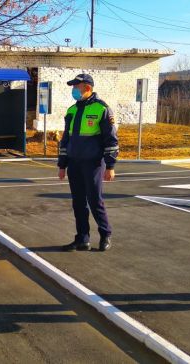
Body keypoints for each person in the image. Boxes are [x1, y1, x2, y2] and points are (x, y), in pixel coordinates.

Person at [58, 74, 119, 252]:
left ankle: (105, 234)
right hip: (74, 164)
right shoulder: (72, 110)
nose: (74, 90)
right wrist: (62, 165)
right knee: (78, 203)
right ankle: (82, 239)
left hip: (93, 164)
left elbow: (111, 140)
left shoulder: (102, 109)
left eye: (77, 87)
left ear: (88, 88)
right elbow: (65, 140)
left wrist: (110, 166)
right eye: (73, 87)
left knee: (95, 201)